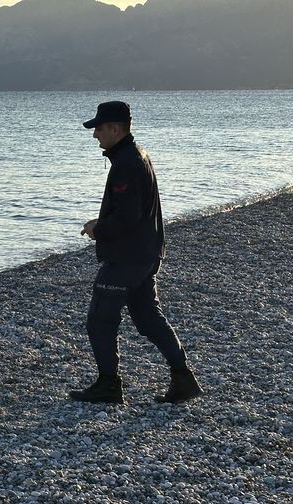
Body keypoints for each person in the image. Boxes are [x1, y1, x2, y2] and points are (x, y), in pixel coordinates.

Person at [70, 101, 203, 404]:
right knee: (146, 316)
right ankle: (183, 379)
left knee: (100, 318)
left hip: (127, 257)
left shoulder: (127, 163)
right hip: (146, 252)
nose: (95, 135)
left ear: (115, 129)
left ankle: (109, 385)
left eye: (99, 129)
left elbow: (127, 216)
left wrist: (98, 229)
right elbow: (134, 211)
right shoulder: (135, 155)